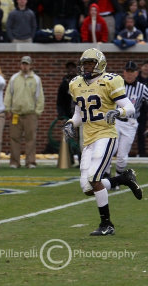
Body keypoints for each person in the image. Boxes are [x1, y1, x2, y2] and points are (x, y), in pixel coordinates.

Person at [63, 48, 143, 236]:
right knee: (87, 188)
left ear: (100, 64)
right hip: (89, 138)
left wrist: (118, 112)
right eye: (85, 64)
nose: (87, 67)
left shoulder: (110, 81)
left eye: (91, 63)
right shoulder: (75, 84)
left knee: (94, 177)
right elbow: (79, 113)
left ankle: (107, 224)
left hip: (106, 134)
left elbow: (129, 107)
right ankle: (123, 178)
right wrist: (70, 123)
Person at [108, 61, 148, 180]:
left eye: (132, 72)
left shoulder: (142, 88)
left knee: (122, 155)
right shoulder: (116, 86)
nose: (129, 74)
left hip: (130, 123)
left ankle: (118, 178)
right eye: (127, 72)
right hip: (114, 121)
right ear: (124, 73)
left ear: (136, 73)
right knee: (110, 150)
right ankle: (106, 176)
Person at [4, 56, 44, 169]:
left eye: (26, 64)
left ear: (31, 65)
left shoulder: (36, 79)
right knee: (14, 138)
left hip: (30, 113)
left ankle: (30, 162)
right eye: (23, 64)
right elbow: (8, 94)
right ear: (20, 65)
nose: (24, 66)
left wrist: (38, 112)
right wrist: (7, 109)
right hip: (15, 113)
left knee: (30, 138)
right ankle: (14, 162)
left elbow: (40, 96)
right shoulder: (14, 78)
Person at [136, 60, 148, 157]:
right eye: (145, 66)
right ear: (142, 67)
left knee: (141, 131)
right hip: (135, 107)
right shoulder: (136, 78)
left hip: (145, 109)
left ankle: (142, 152)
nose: (147, 68)